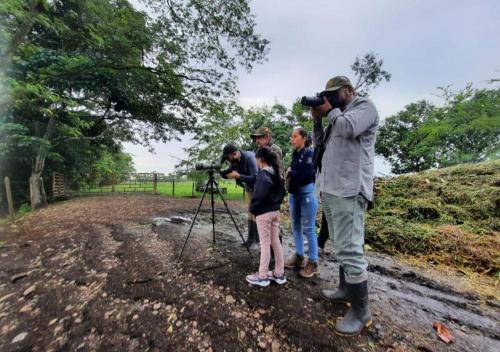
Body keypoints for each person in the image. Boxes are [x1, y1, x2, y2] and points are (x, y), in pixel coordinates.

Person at [311, 75, 379, 336]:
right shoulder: (335, 116)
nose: (328, 98)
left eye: (333, 93)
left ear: (348, 90)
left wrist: (330, 111)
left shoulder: (364, 107)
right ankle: (344, 291)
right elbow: (320, 147)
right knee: (340, 245)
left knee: (350, 248)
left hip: (350, 190)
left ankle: (362, 312)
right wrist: (318, 120)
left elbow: (349, 129)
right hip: (331, 189)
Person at [245, 146, 286, 287]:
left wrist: (253, 210)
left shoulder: (263, 174)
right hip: (275, 212)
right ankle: (279, 273)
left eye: (256, 159)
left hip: (263, 214)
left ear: (260, 159)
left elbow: (258, 196)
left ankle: (262, 276)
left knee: (265, 244)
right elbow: (282, 193)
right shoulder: (276, 173)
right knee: (276, 242)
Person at [284, 127, 319, 278]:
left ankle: (313, 262)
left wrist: (290, 173)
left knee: (309, 228)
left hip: (306, 194)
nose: (292, 139)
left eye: (295, 136)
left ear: (304, 138)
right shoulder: (295, 154)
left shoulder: (310, 153)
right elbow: (297, 173)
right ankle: (299, 256)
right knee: (295, 226)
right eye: (291, 137)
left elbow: (306, 175)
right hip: (294, 194)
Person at [220, 144, 259, 247]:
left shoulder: (250, 157)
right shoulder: (236, 161)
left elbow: (255, 177)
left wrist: (238, 176)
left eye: (228, 158)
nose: (228, 161)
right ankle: (250, 240)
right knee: (250, 213)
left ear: (234, 153)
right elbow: (228, 172)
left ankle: (259, 241)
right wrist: (219, 171)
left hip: (259, 189)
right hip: (250, 189)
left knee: (257, 214)